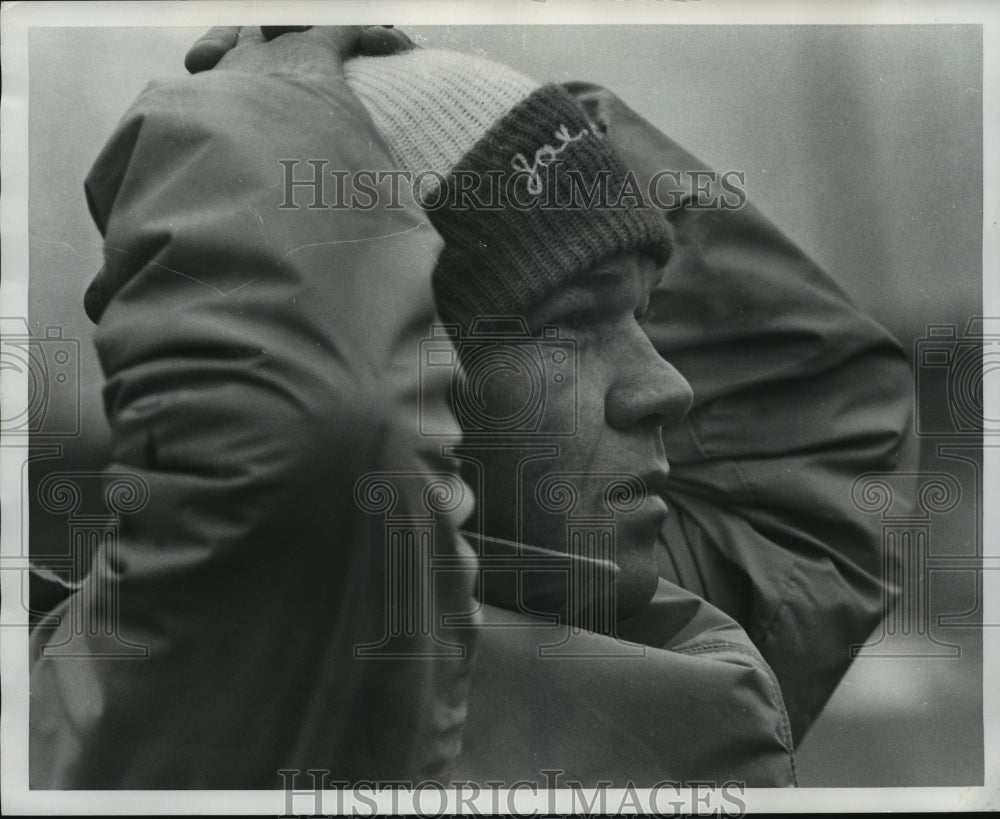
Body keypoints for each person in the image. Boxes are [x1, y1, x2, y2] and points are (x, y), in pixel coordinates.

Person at [29, 26, 914, 789]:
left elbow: (814, 423)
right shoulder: (189, 692)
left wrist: (507, 129)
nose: (668, 387)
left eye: (642, 313)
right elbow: (312, 439)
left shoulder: (612, 619)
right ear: (413, 387)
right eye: (573, 325)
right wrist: (261, 126)